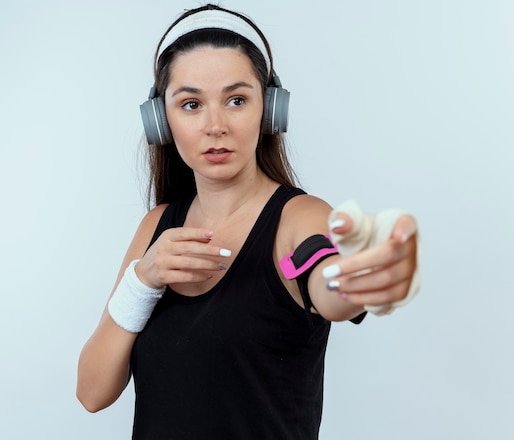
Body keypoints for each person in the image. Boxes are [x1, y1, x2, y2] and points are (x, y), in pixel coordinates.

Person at [77, 4, 420, 439]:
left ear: (270, 109)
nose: (214, 125)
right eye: (191, 104)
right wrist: (142, 281)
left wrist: (353, 278)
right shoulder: (157, 228)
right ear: (162, 120)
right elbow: (92, 393)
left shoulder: (301, 217)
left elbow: (324, 273)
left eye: (236, 100)